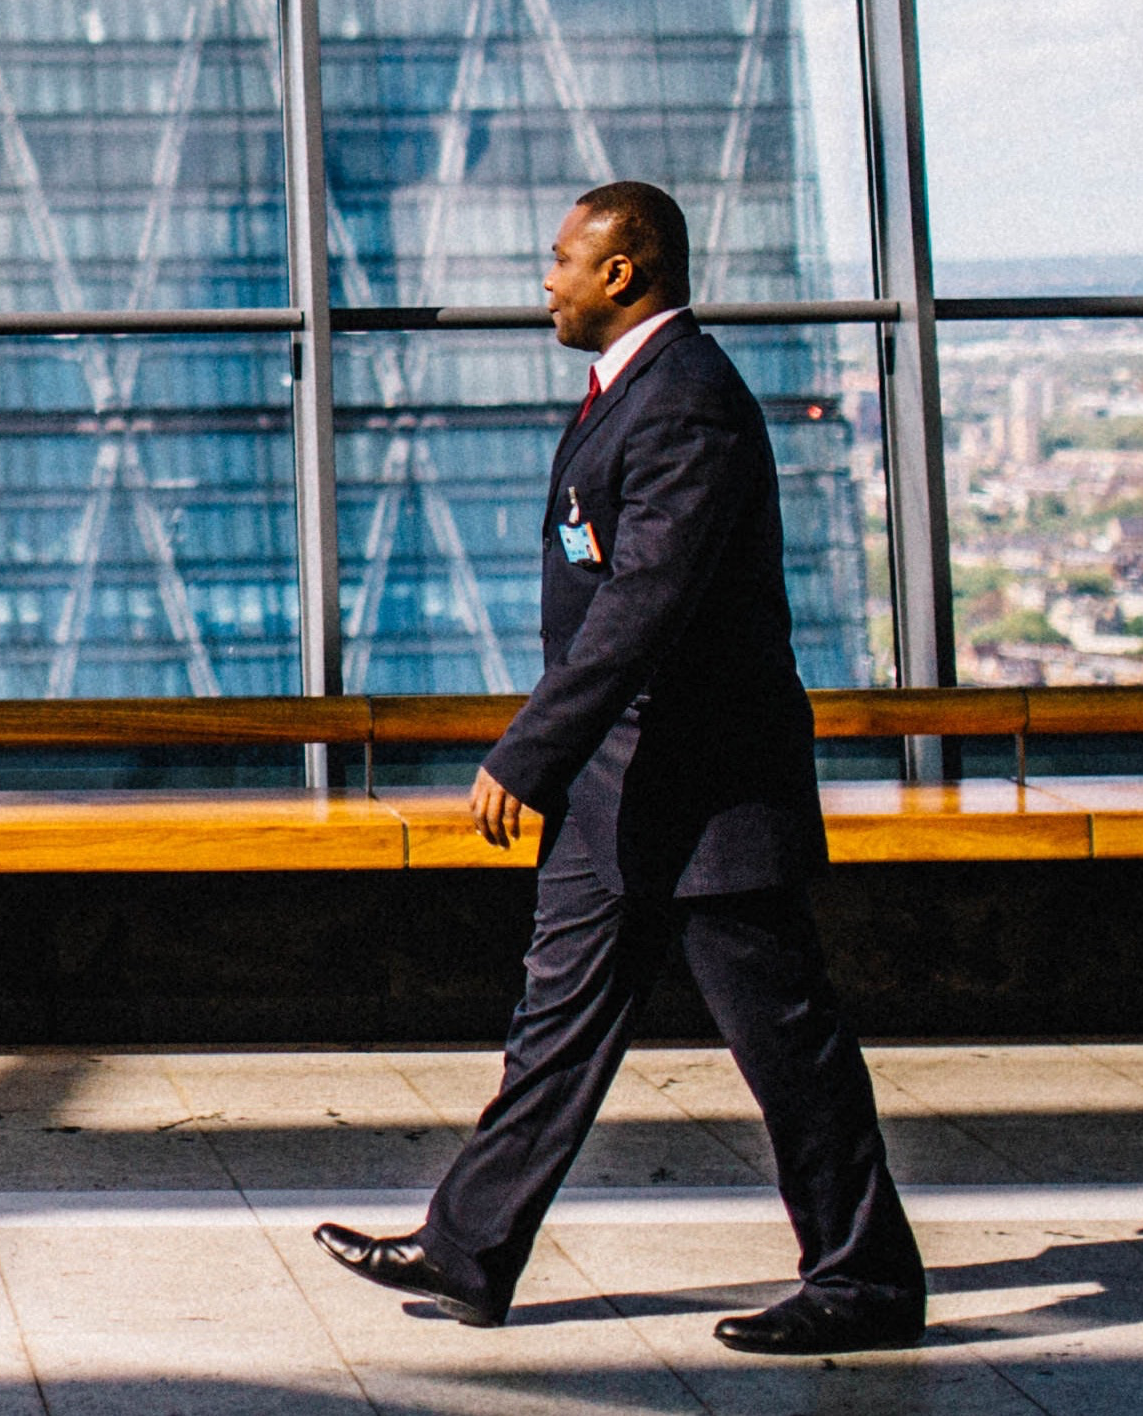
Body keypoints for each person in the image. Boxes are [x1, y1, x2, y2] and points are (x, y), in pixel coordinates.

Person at [315, 180, 927, 1356]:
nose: (544, 280)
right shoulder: (634, 394)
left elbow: (643, 603)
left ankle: (866, 1280)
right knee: (555, 1023)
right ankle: (468, 1243)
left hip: (704, 794)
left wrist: (530, 751)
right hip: (621, 794)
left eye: (561, 260)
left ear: (624, 272)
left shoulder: (687, 404)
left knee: (787, 1045)